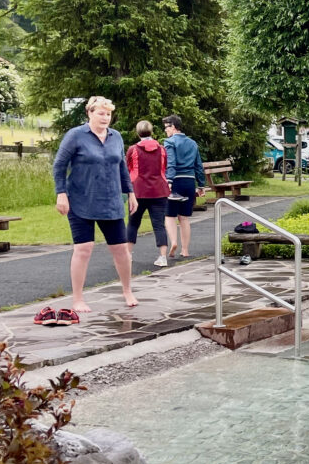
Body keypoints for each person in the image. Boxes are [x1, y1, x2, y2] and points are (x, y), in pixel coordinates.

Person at [52, 96, 139, 312]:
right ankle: (78, 299)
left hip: (110, 201)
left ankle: (127, 290)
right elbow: (59, 166)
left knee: (121, 249)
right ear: (89, 113)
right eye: (101, 113)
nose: (105, 117)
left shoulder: (116, 137)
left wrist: (130, 192)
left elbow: (122, 168)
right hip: (81, 200)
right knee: (84, 248)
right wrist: (61, 194)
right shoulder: (75, 136)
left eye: (108, 114)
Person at [125, 120, 170, 267]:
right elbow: (164, 167)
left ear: (138, 133)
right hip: (159, 190)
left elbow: (128, 168)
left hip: (138, 191)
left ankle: (128, 255)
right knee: (159, 225)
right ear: (151, 132)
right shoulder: (162, 149)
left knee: (133, 224)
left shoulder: (133, 150)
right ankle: (163, 257)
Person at [162, 114, 205, 258]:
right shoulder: (193, 143)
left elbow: (171, 163)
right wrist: (201, 185)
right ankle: (185, 250)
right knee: (184, 218)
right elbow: (198, 165)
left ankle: (174, 242)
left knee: (169, 215)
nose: (165, 131)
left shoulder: (170, 142)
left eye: (166, 127)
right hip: (189, 182)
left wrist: (169, 180)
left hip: (175, 181)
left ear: (173, 126)